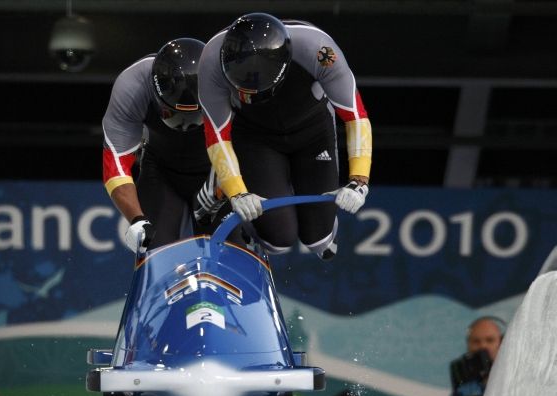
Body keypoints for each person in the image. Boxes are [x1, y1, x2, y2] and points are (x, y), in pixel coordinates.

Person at [196, 12, 372, 260]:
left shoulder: (319, 50)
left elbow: (356, 117)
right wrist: (238, 193)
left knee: (318, 238)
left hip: (313, 132)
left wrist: (359, 181)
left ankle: (321, 232)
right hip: (256, 136)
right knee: (278, 240)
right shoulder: (211, 63)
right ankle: (225, 185)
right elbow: (216, 134)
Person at [102, 37, 217, 254]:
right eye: (173, 113)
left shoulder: (222, 81)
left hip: (216, 173)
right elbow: (116, 163)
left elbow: (251, 145)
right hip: (161, 173)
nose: (183, 125)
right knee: (154, 248)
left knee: (233, 249)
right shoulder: (132, 86)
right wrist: (137, 219)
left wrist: (238, 188)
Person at [448, 316, 506, 396]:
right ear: (468, 345)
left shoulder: (513, 376)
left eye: (490, 340)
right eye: (476, 341)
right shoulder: (463, 379)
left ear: (501, 343)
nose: (483, 346)